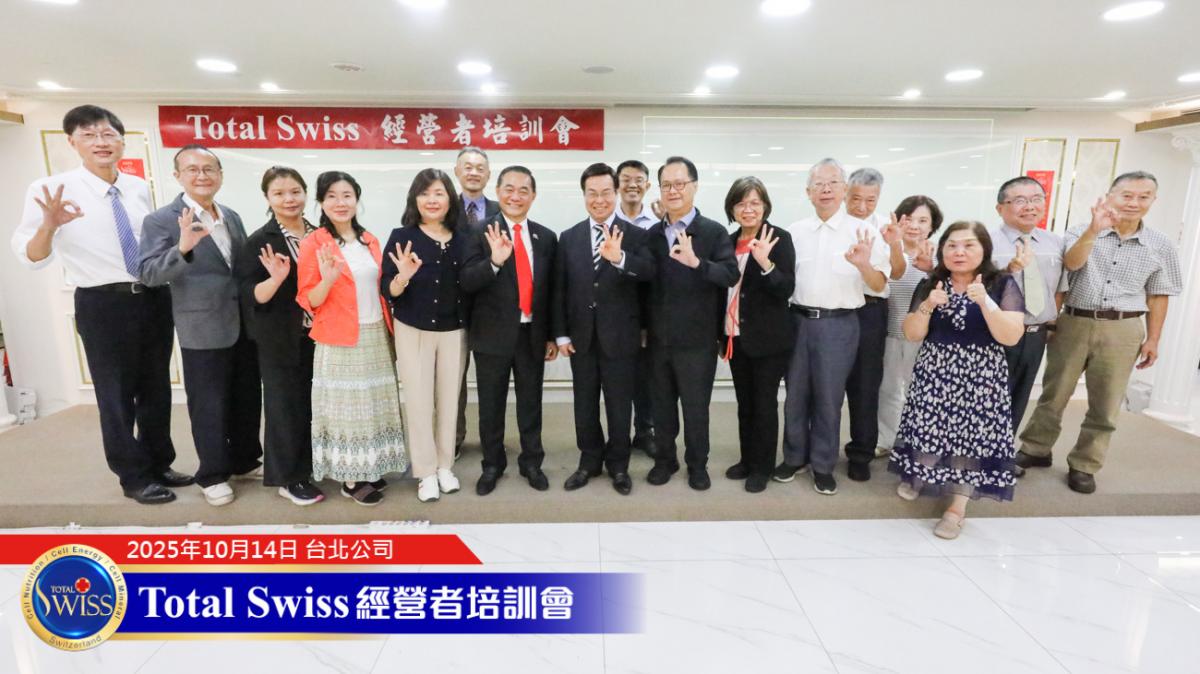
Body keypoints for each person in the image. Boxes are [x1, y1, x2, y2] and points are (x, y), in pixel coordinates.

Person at [10, 105, 186, 504]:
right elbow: (32, 256)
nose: (100, 142)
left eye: (108, 135)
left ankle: (159, 462)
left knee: (156, 388)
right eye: (89, 135)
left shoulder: (138, 187)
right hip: (103, 303)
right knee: (115, 394)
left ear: (122, 142)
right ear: (72, 142)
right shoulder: (51, 189)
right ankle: (134, 477)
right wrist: (49, 226)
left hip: (153, 297)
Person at [1017, 171, 1182, 493]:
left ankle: (1085, 464)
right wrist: (1094, 230)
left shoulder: (1161, 244)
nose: (1134, 203)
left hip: (1124, 327)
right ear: (1110, 196)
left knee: (1106, 403)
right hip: (1075, 321)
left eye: (1143, 197)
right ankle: (1035, 448)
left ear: (1153, 200)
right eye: (1127, 195)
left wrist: (1153, 339)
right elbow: (1072, 265)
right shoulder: (1080, 230)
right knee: (1054, 393)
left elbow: (1158, 294)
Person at [140, 144, 262, 507]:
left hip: (243, 322)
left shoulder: (231, 215)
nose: (202, 175)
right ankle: (212, 474)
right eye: (192, 169)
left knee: (246, 397)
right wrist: (181, 248)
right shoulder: (161, 220)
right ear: (177, 176)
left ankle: (244, 460)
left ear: (220, 175)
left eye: (209, 169)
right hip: (202, 326)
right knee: (209, 404)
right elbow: (148, 273)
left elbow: (238, 268)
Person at [891, 220, 1025, 539]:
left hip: (982, 374)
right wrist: (928, 305)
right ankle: (920, 475)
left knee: (970, 436)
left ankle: (956, 509)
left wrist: (985, 302)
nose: (959, 252)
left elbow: (1010, 336)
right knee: (928, 425)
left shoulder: (1002, 283)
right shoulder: (932, 283)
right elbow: (911, 333)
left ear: (984, 250)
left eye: (968, 245)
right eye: (951, 245)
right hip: (935, 369)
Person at [776, 158, 890, 495]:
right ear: (808, 192)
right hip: (797, 321)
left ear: (843, 190)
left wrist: (864, 264)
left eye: (833, 183)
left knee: (829, 397)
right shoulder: (794, 232)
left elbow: (879, 284)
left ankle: (823, 464)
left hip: (840, 324)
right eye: (818, 184)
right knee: (795, 395)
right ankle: (794, 457)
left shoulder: (864, 232)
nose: (825, 189)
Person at [296, 171, 407, 506]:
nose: (340, 202)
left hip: (375, 332)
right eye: (331, 196)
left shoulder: (370, 239)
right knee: (347, 411)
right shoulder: (314, 243)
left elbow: (382, 286)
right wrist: (328, 279)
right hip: (339, 338)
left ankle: (370, 466)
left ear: (357, 200)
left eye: (347, 195)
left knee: (373, 405)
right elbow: (309, 300)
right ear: (320, 202)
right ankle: (351, 478)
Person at [553, 163, 654, 495]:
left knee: (619, 405)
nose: (599, 200)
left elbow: (649, 274)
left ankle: (619, 465)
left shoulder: (636, 235)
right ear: (584, 195)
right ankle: (589, 461)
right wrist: (561, 333)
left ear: (617, 192)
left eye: (606, 192)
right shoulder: (569, 238)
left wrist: (620, 258)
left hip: (621, 338)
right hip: (581, 338)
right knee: (584, 404)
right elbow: (560, 290)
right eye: (592, 193)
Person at [460, 166, 558, 496]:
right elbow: (467, 281)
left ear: (533, 196)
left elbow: (551, 291)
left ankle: (532, 462)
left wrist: (552, 334)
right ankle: (492, 464)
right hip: (491, 336)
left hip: (532, 334)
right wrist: (494, 262)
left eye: (523, 190)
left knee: (531, 403)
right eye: (509, 189)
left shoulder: (546, 237)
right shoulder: (478, 232)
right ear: (498, 192)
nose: (516, 196)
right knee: (491, 405)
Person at [644, 156, 740, 490]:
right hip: (658, 340)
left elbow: (730, 274)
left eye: (680, 184)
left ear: (694, 187)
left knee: (696, 409)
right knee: (661, 407)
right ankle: (665, 461)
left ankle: (697, 465)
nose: (673, 190)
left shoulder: (713, 232)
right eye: (666, 185)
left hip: (697, 341)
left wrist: (698, 263)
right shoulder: (653, 234)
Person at [236, 166, 323, 506]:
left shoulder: (320, 234)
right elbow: (247, 293)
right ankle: (289, 478)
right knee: (286, 408)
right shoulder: (259, 241)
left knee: (315, 405)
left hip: (321, 336)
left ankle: (312, 465)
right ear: (267, 198)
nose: (289, 199)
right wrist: (274, 280)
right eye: (279, 193)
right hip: (280, 337)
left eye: (295, 191)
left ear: (305, 193)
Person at [380, 169, 469, 503]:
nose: (432, 200)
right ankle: (425, 472)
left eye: (439, 193)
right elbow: (387, 289)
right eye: (425, 193)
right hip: (413, 328)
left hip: (454, 330)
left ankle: (445, 466)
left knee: (449, 400)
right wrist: (402, 277)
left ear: (450, 199)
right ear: (414, 199)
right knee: (418, 402)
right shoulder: (402, 236)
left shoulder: (463, 237)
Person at [720, 177, 796, 493]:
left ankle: (762, 467)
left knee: (764, 404)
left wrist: (765, 263)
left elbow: (786, 288)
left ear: (765, 206)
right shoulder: (727, 241)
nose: (748, 209)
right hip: (735, 336)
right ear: (732, 208)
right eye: (741, 203)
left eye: (754, 203)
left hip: (768, 338)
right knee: (745, 403)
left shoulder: (779, 238)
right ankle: (747, 459)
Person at [989, 177, 1067, 433]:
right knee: (987, 398)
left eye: (1036, 199)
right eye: (1020, 200)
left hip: (1035, 334)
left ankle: (1002, 450)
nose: (1030, 206)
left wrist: (1050, 325)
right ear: (1000, 208)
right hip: (994, 334)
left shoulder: (1055, 243)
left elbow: (1058, 288)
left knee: (1020, 397)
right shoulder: (985, 242)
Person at [841, 168, 905, 481]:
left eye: (870, 200)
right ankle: (816, 450)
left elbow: (898, 272)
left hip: (870, 310)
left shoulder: (885, 228)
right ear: (845, 194)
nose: (862, 206)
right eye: (856, 198)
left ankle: (861, 453)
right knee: (825, 385)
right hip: (835, 310)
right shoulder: (832, 225)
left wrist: (895, 245)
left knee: (865, 385)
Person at [876, 195, 942, 457]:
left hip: (924, 337)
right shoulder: (887, 251)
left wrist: (933, 269)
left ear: (932, 225)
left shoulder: (940, 256)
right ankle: (886, 440)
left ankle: (917, 443)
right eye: (909, 219)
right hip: (890, 332)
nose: (915, 226)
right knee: (888, 390)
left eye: (923, 220)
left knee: (921, 392)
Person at [451, 147, 500, 458]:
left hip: (491, 307)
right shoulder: (442, 207)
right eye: (467, 166)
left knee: (491, 380)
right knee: (452, 380)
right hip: (451, 306)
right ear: (457, 172)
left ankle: (491, 441)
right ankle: (453, 437)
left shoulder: (501, 209)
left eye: (480, 167)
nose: (473, 172)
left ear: (488, 175)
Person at [615, 159, 661, 457]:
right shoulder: (606, 218)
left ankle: (645, 431)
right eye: (626, 179)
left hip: (650, 311)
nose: (632, 184)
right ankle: (617, 436)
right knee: (619, 380)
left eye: (639, 180)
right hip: (616, 311)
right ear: (617, 184)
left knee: (647, 378)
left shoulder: (658, 222)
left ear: (647, 185)